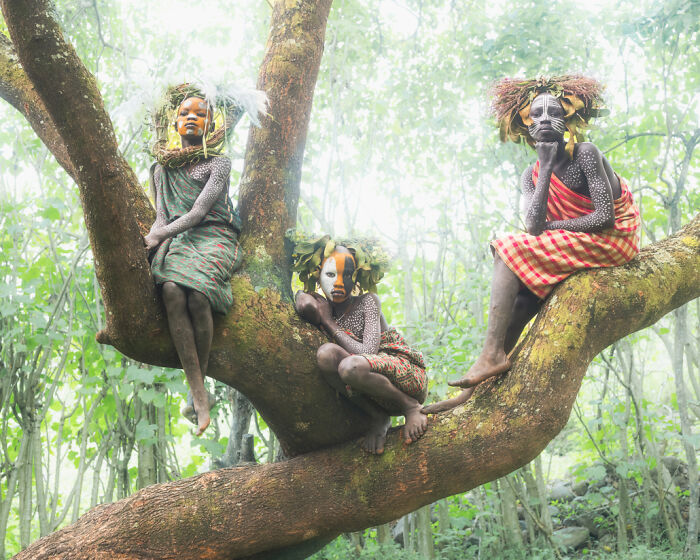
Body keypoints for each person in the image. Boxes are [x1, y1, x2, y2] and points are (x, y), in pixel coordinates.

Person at [423, 75, 640, 414]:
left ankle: (490, 353)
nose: (544, 120)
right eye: (535, 115)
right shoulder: (532, 174)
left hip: (613, 240)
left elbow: (604, 218)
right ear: (526, 126)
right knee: (523, 299)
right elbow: (534, 225)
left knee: (507, 245)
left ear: (567, 120)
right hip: (573, 239)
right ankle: (477, 385)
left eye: (552, 112)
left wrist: (555, 225)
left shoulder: (585, 154)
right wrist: (548, 168)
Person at [145, 83, 265, 435]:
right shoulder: (160, 169)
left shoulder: (219, 164)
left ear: (211, 124)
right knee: (170, 290)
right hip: (178, 238)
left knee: (197, 296)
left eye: (201, 113)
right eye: (185, 113)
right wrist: (156, 237)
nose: (193, 117)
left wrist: (159, 235)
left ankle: (197, 394)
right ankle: (200, 394)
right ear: (175, 122)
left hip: (215, 235)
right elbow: (161, 215)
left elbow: (198, 213)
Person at [294, 242, 428, 454]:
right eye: (330, 275)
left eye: (346, 275)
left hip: (404, 375)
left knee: (350, 367)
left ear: (356, 277)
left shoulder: (368, 301)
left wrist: (329, 322)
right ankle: (377, 416)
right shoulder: (324, 306)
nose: (338, 283)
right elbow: (305, 306)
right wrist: (303, 292)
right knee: (326, 355)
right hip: (370, 389)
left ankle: (410, 406)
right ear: (317, 275)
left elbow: (369, 352)